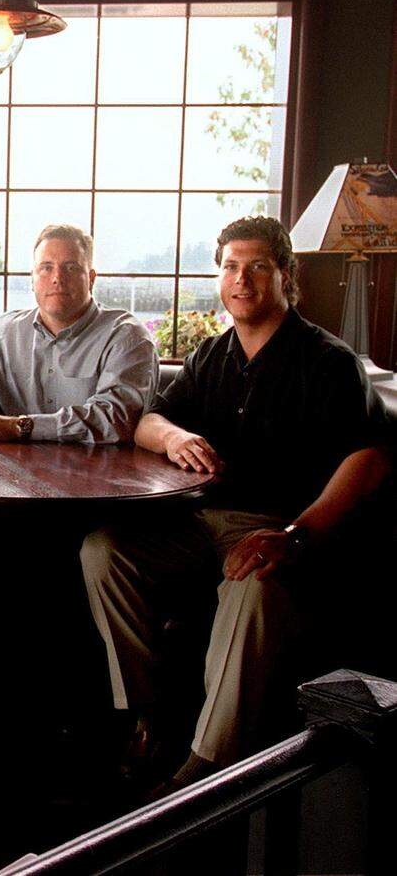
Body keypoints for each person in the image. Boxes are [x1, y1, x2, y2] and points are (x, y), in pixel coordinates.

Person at [80, 216, 392, 796]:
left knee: (250, 582)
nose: (241, 280)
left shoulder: (328, 361)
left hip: (280, 526)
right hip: (196, 522)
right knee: (103, 551)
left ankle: (206, 767)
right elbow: (147, 421)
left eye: (257, 267)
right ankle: (149, 715)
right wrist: (174, 437)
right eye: (230, 267)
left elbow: (368, 457)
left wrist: (295, 535)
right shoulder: (211, 356)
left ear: (286, 275)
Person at [0, 223, 157, 444]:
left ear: (91, 278)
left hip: (101, 465)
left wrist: (21, 426)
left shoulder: (126, 338)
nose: (57, 278)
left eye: (71, 267)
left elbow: (117, 420)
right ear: (32, 279)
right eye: (46, 267)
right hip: (11, 464)